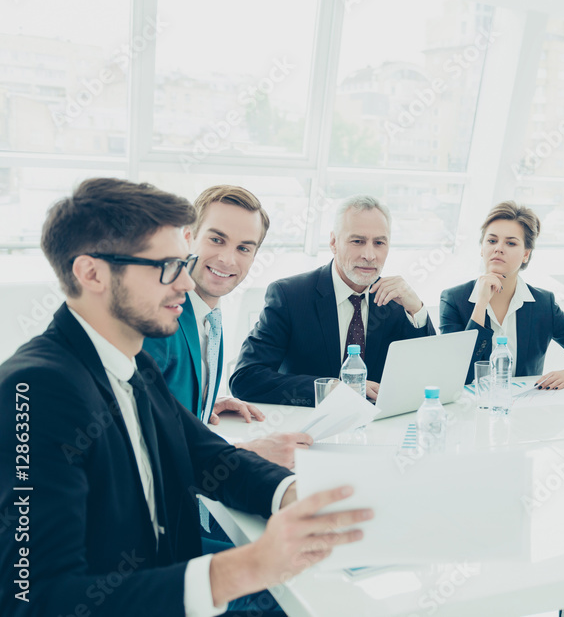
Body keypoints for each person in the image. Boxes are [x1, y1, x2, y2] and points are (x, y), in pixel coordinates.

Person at [0, 178, 370, 617]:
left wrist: (297, 495)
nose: (185, 283)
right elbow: (36, 600)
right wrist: (246, 567)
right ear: (92, 273)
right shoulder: (33, 390)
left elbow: (208, 456)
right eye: (166, 267)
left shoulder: (133, 363)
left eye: (182, 263)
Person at [144, 185, 312, 470]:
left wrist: (202, 404)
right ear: (189, 237)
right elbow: (141, 439)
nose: (228, 259)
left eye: (243, 248)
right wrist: (244, 450)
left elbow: (166, 401)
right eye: (217, 239)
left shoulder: (211, 314)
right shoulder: (158, 319)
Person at [231, 194, 435, 406]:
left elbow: (430, 376)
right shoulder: (289, 296)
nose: (369, 255)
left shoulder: (396, 301)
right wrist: (331, 388)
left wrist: (417, 309)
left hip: (378, 428)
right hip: (307, 429)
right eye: (357, 241)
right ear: (333, 242)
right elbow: (246, 378)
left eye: (379, 243)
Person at [440, 201, 564, 388]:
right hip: (468, 409)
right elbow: (456, 373)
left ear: (526, 255)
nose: (498, 248)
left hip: (524, 409)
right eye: (491, 241)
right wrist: (481, 304)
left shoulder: (543, 304)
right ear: (482, 249)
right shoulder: (453, 300)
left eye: (511, 243)